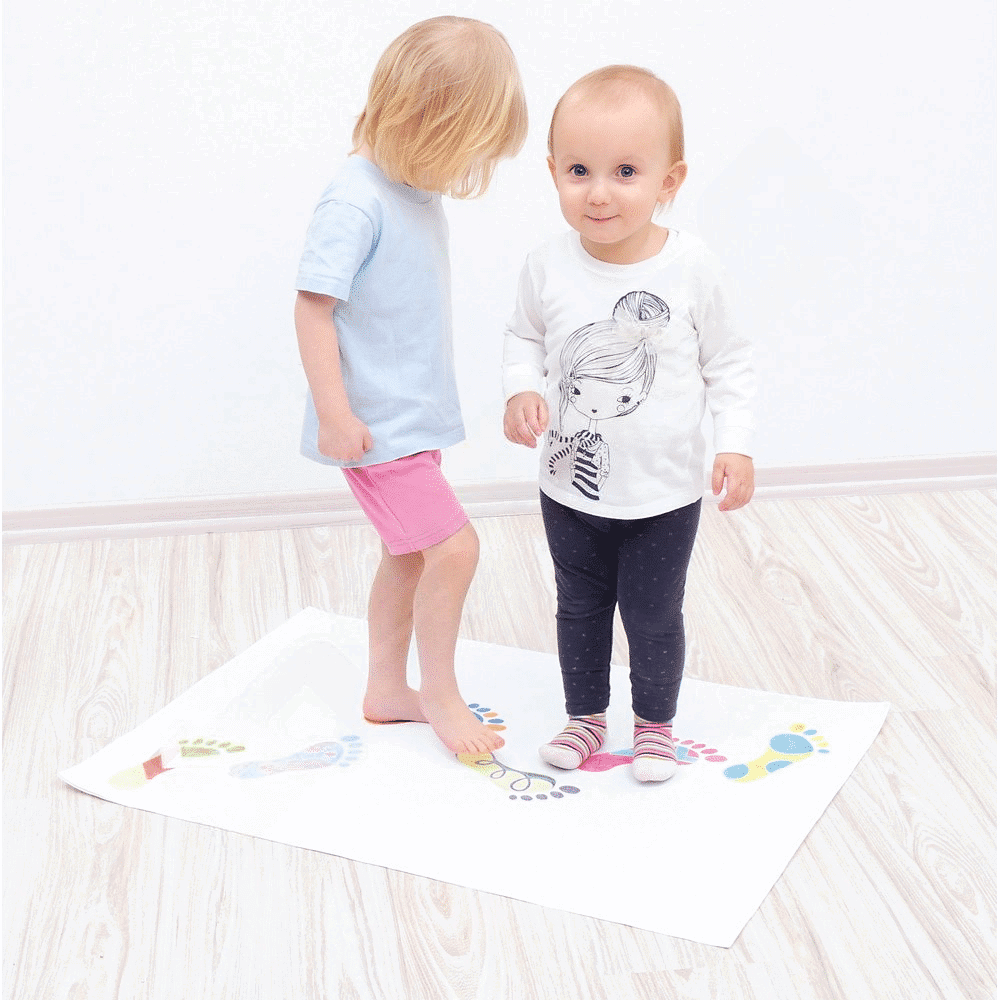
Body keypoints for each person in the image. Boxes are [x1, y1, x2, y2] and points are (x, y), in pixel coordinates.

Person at [502, 65, 755, 782]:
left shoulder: (692, 267)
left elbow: (730, 361)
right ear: (553, 171)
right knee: (579, 608)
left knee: (652, 614)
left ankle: (654, 726)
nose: (599, 192)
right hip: (568, 489)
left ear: (669, 181)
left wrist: (735, 444)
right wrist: (521, 389)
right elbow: (522, 336)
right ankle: (585, 718)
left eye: (625, 172)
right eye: (579, 170)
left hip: (662, 496)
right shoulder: (546, 265)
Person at [295, 17, 528, 755]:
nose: (464, 170)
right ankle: (440, 693)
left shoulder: (411, 192)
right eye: (463, 150)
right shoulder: (355, 200)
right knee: (455, 551)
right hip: (376, 429)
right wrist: (335, 414)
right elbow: (312, 308)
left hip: (409, 422)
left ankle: (387, 688)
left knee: (410, 554)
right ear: (426, 122)